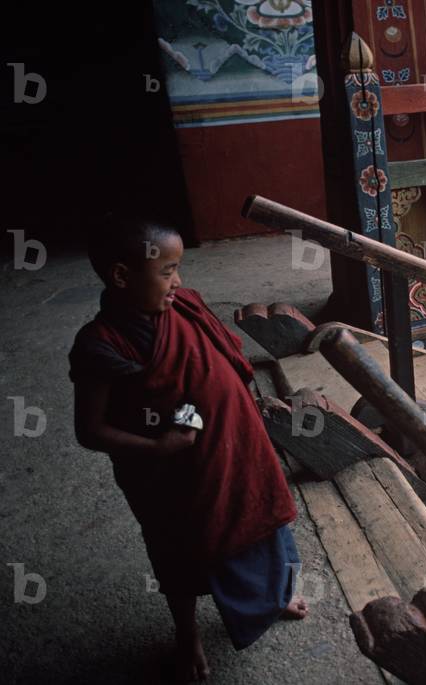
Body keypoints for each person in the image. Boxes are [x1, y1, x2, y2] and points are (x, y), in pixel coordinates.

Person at [69, 216, 308, 681]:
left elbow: (225, 366)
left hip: (233, 449)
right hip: (166, 472)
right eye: (166, 272)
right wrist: (157, 447)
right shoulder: (100, 345)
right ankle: (187, 634)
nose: (178, 281)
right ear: (121, 276)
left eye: (179, 269)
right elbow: (90, 430)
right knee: (179, 552)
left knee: (259, 522)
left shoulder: (188, 308)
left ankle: (273, 597)